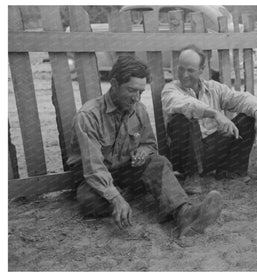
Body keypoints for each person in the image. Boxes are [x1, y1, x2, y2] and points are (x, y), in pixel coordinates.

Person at [67, 55, 222, 237]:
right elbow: (93, 168)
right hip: (94, 178)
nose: (136, 98)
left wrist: (143, 150)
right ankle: (132, 195)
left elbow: (150, 145)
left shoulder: (139, 109)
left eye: (141, 92)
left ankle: (184, 214)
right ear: (115, 84)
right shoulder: (88, 116)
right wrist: (115, 197)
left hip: (126, 171)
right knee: (89, 202)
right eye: (132, 90)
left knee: (159, 162)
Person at [161, 44, 257, 194]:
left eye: (190, 70)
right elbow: (184, 104)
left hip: (211, 152)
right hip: (185, 157)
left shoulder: (213, 88)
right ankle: (191, 177)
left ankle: (232, 172)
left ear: (201, 70)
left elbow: (242, 99)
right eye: (181, 68)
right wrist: (215, 113)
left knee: (248, 117)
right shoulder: (171, 89)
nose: (184, 74)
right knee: (183, 119)